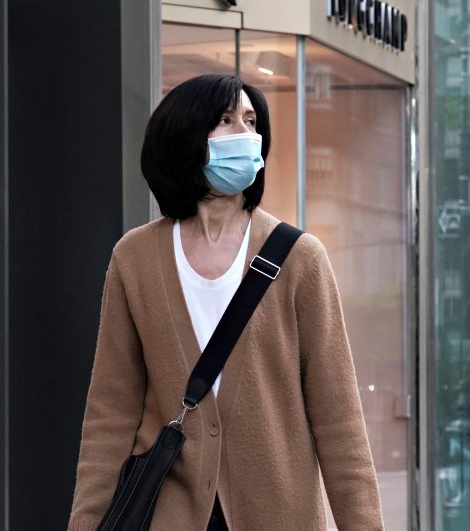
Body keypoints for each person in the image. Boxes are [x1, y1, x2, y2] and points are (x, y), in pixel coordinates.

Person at [68, 74, 383, 530]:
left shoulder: (299, 258)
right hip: (166, 514)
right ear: (185, 138)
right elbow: (110, 413)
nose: (245, 133)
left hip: (279, 514)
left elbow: (339, 421)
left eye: (251, 121)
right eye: (226, 120)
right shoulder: (134, 260)